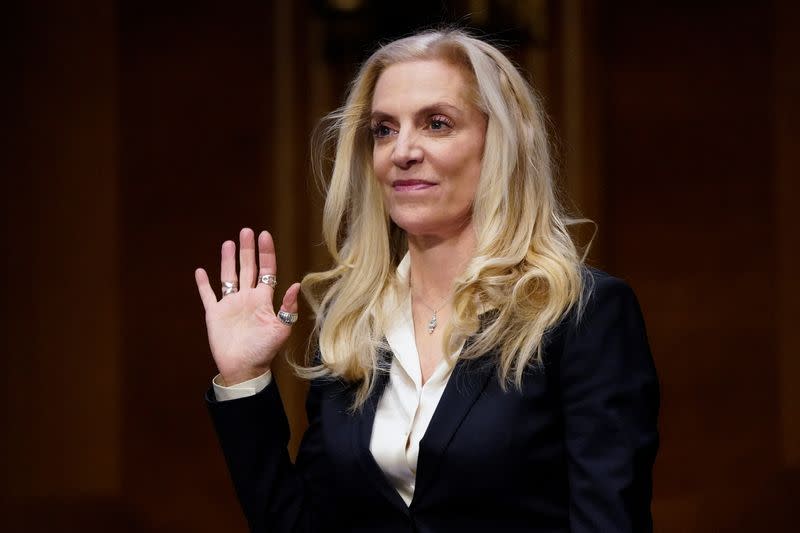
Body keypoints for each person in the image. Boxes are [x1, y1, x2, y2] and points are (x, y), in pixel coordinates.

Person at [195, 28, 659, 533]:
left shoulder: (582, 313)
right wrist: (244, 381)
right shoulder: (351, 322)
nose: (403, 151)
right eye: (384, 129)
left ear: (498, 143)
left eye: (436, 124)